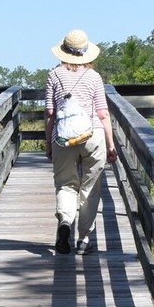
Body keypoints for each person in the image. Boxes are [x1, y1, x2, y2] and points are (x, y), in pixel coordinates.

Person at [44, 29, 117, 254]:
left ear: (63, 51)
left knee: (66, 185)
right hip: (92, 134)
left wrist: (49, 143)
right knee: (90, 189)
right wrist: (110, 144)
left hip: (64, 138)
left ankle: (65, 222)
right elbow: (103, 114)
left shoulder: (53, 75)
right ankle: (84, 240)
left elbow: (50, 113)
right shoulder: (94, 77)